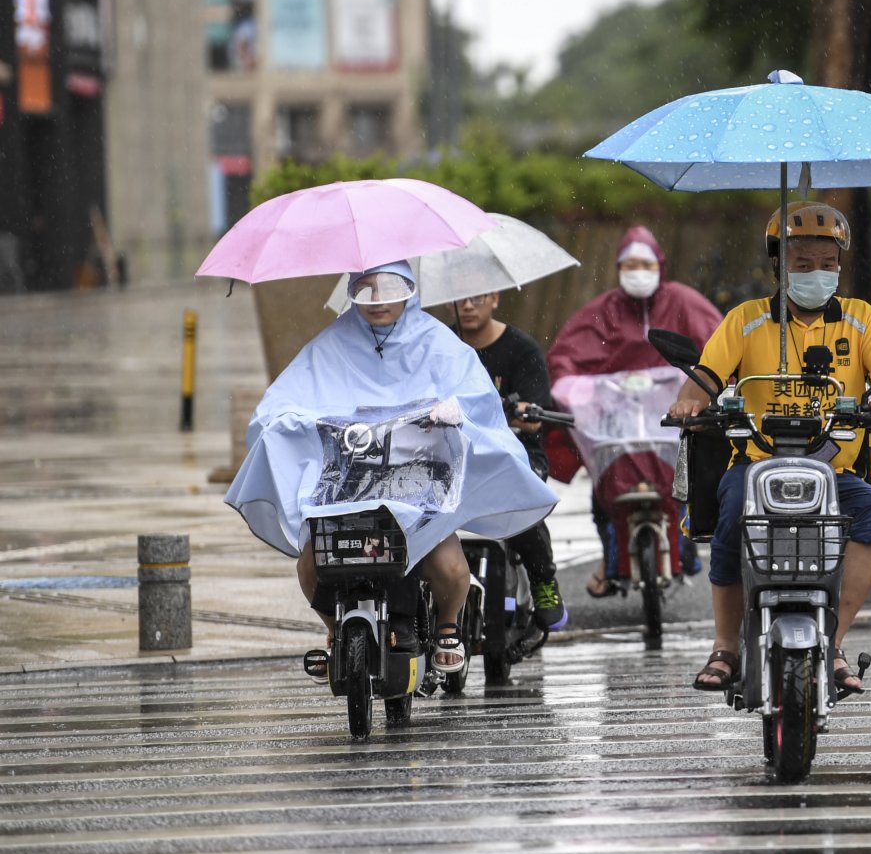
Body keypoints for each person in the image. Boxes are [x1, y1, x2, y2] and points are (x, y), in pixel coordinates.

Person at [226, 261, 557, 676]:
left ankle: (449, 626)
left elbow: (475, 396)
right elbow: (282, 401)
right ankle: (334, 629)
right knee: (311, 565)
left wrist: (454, 410)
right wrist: (288, 422)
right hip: (346, 492)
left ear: (410, 288)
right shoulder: (330, 346)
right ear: (351, 290)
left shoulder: (438, 342)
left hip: (418, 491)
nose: (378, 300)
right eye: (366, 289)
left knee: (451, 568)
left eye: (389, 287)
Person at [667, 202, 871, 696]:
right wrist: (689, 403)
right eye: (802, 264)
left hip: (834, 472)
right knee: (730, 516)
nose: (816, 274)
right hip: (757, 466)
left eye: (827, 264)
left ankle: (834, 641)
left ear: (840, 265)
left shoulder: (861, 319)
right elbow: (703, 382)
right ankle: (725, 647)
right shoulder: (745, 320)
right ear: (777, 265)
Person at [546, 226, 722, 596]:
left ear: (659, 264)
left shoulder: (685, 303)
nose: (637, 271)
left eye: (644, 263)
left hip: (672, 419)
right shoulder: (602, 311)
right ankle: (612, 557)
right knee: (604, 489)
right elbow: (566, 357)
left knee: (692, 482)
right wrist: (575, 388)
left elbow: (719, 347)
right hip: (619, 426)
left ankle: (685, 541)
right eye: (630, 265)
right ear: (618, 268)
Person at [451, 290, 568, 631]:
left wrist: (514, 411)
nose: (468, 305)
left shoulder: (522, 349)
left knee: (521, 495)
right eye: (461, 298)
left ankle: (543, 579)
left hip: (517, 452)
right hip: (457, 455)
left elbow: (534, 418)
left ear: (495, 299)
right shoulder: (440, 347)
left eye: (478, 297)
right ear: (450, 302)